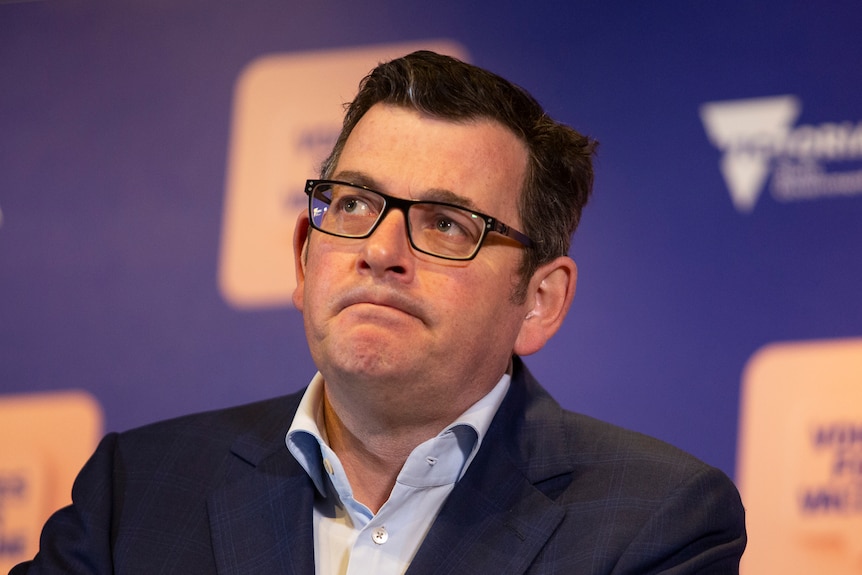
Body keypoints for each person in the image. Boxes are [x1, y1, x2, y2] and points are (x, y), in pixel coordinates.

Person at [12, 50, 745, 574]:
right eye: (355, 204)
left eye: (447, 223)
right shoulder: (138, 490)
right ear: (305, 252)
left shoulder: (658, 522)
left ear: (539, 301)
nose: (381, 250)